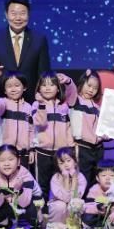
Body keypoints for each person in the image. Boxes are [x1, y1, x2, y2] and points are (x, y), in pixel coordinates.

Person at [0, 0, 51, 102]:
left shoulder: (39, 39)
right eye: (13, 13)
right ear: (6, 15)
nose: (18, 18)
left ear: (28, 15)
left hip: (31, 101)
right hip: (2, 101)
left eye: (22, 13)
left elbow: (44, 72)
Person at [32, 72, 76, 210]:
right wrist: (41, 105)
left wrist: (68, 81)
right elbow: (40, 123)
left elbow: (73, 95)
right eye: (44, 85)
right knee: (42, 186)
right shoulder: (36, 104)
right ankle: (41, 214)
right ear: (38, 88)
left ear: (58, 88)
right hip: (43, 152)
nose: (47, 88)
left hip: (61, 154)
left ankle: (61, 213)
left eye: (51, 84)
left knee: (63, 184)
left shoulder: (64, 105)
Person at [0, 144, 41, 229]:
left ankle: (34, 226)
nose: (6, 164)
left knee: (33, 205)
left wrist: (19, 190)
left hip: (28, 205)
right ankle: (5, 224)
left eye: (11, 159)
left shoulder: (25, 175)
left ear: (18, 161)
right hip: (11, 205)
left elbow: (25, 203)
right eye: (2, 160)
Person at [67, 69, 104, 192]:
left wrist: (105, 135)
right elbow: (70, 89)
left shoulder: (97, 107)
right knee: (83, 179)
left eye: (95, 88)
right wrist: (68, 81)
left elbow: (102, 127)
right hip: (82, 147)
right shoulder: (75, 100)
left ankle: (93, 200)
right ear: (82, 83)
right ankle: (79, 201)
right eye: (89, 85)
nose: (91, 90)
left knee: (96, 178)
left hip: (98, 148)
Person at [0, 72, 33, 155]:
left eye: (17, 85)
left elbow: (32, 129)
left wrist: (31, 149)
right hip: (6, 149)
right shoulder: (4, 102)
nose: (13, 89)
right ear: (5, 90)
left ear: (24, 87)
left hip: (24, 151)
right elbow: (0, 106)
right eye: (9, 86)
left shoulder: (28, 107)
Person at [81, 159, 114, 229]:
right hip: (100, 218)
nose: (108, 178)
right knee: (87, 217)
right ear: (97, 178)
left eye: (112, 175)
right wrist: (98, 208)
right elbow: (87, 206)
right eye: (103, 175)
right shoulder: (94, 189)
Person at [47, 147, 87, 224]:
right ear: (57, 166)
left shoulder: (81, 177)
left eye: (68, 161)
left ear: (75, 162)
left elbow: (74, 199)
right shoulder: (55, 178)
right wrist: (66, 179)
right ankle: (56, 227)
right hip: (57, 204)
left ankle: (73, 227)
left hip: (73, 202)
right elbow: (65, 199)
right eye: (61, 163)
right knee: (60, 206)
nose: (66, 165)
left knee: (76, 205)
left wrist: (74, 179)